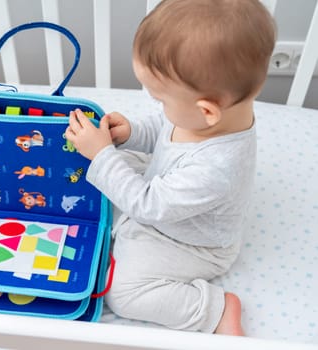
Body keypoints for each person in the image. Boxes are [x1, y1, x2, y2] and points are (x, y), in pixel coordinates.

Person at [65, 0, 276, 335]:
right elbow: (165, 128)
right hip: (164, 193)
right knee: (102, 172)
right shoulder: (207, 116)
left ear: (207, 111)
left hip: (188, 242)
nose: (157, 105)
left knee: (124, 291)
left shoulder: (217, 167)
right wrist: (132, 133)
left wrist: (103, 156)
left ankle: (216, 311)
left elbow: (149, 206)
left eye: (161, 99)